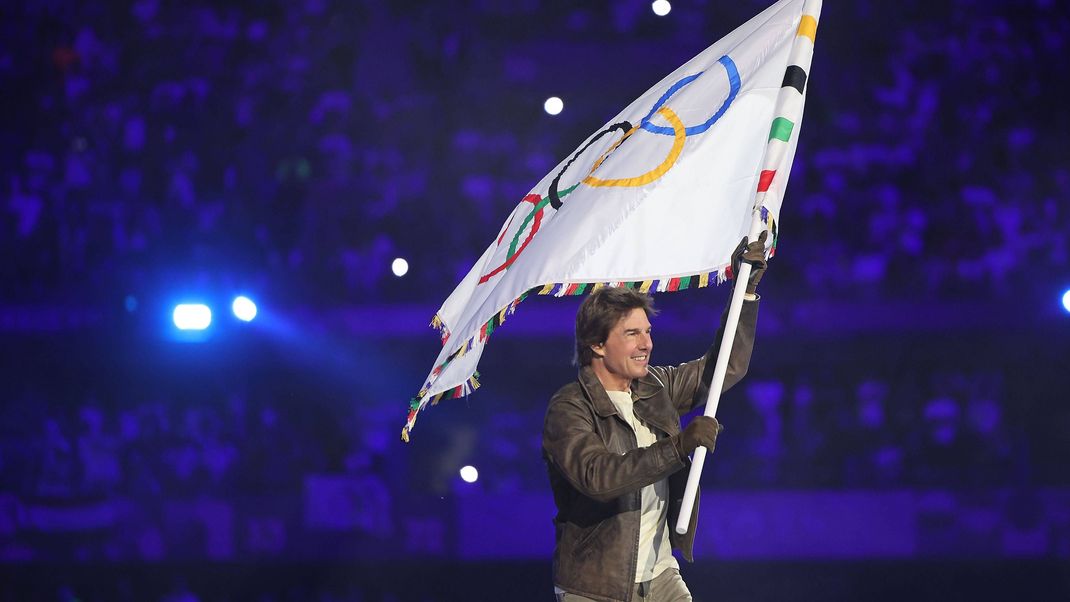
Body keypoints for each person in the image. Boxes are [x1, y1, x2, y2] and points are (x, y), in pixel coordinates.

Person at [542, 232, 768, 602]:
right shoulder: (569, 407)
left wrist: (744, 294)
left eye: (647, 332)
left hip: (661, 575)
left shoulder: (655, 385)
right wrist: (679, 447)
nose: (646, 343)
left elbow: (723, 368)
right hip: (595, 587)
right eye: (632, 334)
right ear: (596, 344)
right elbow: (599, 477)